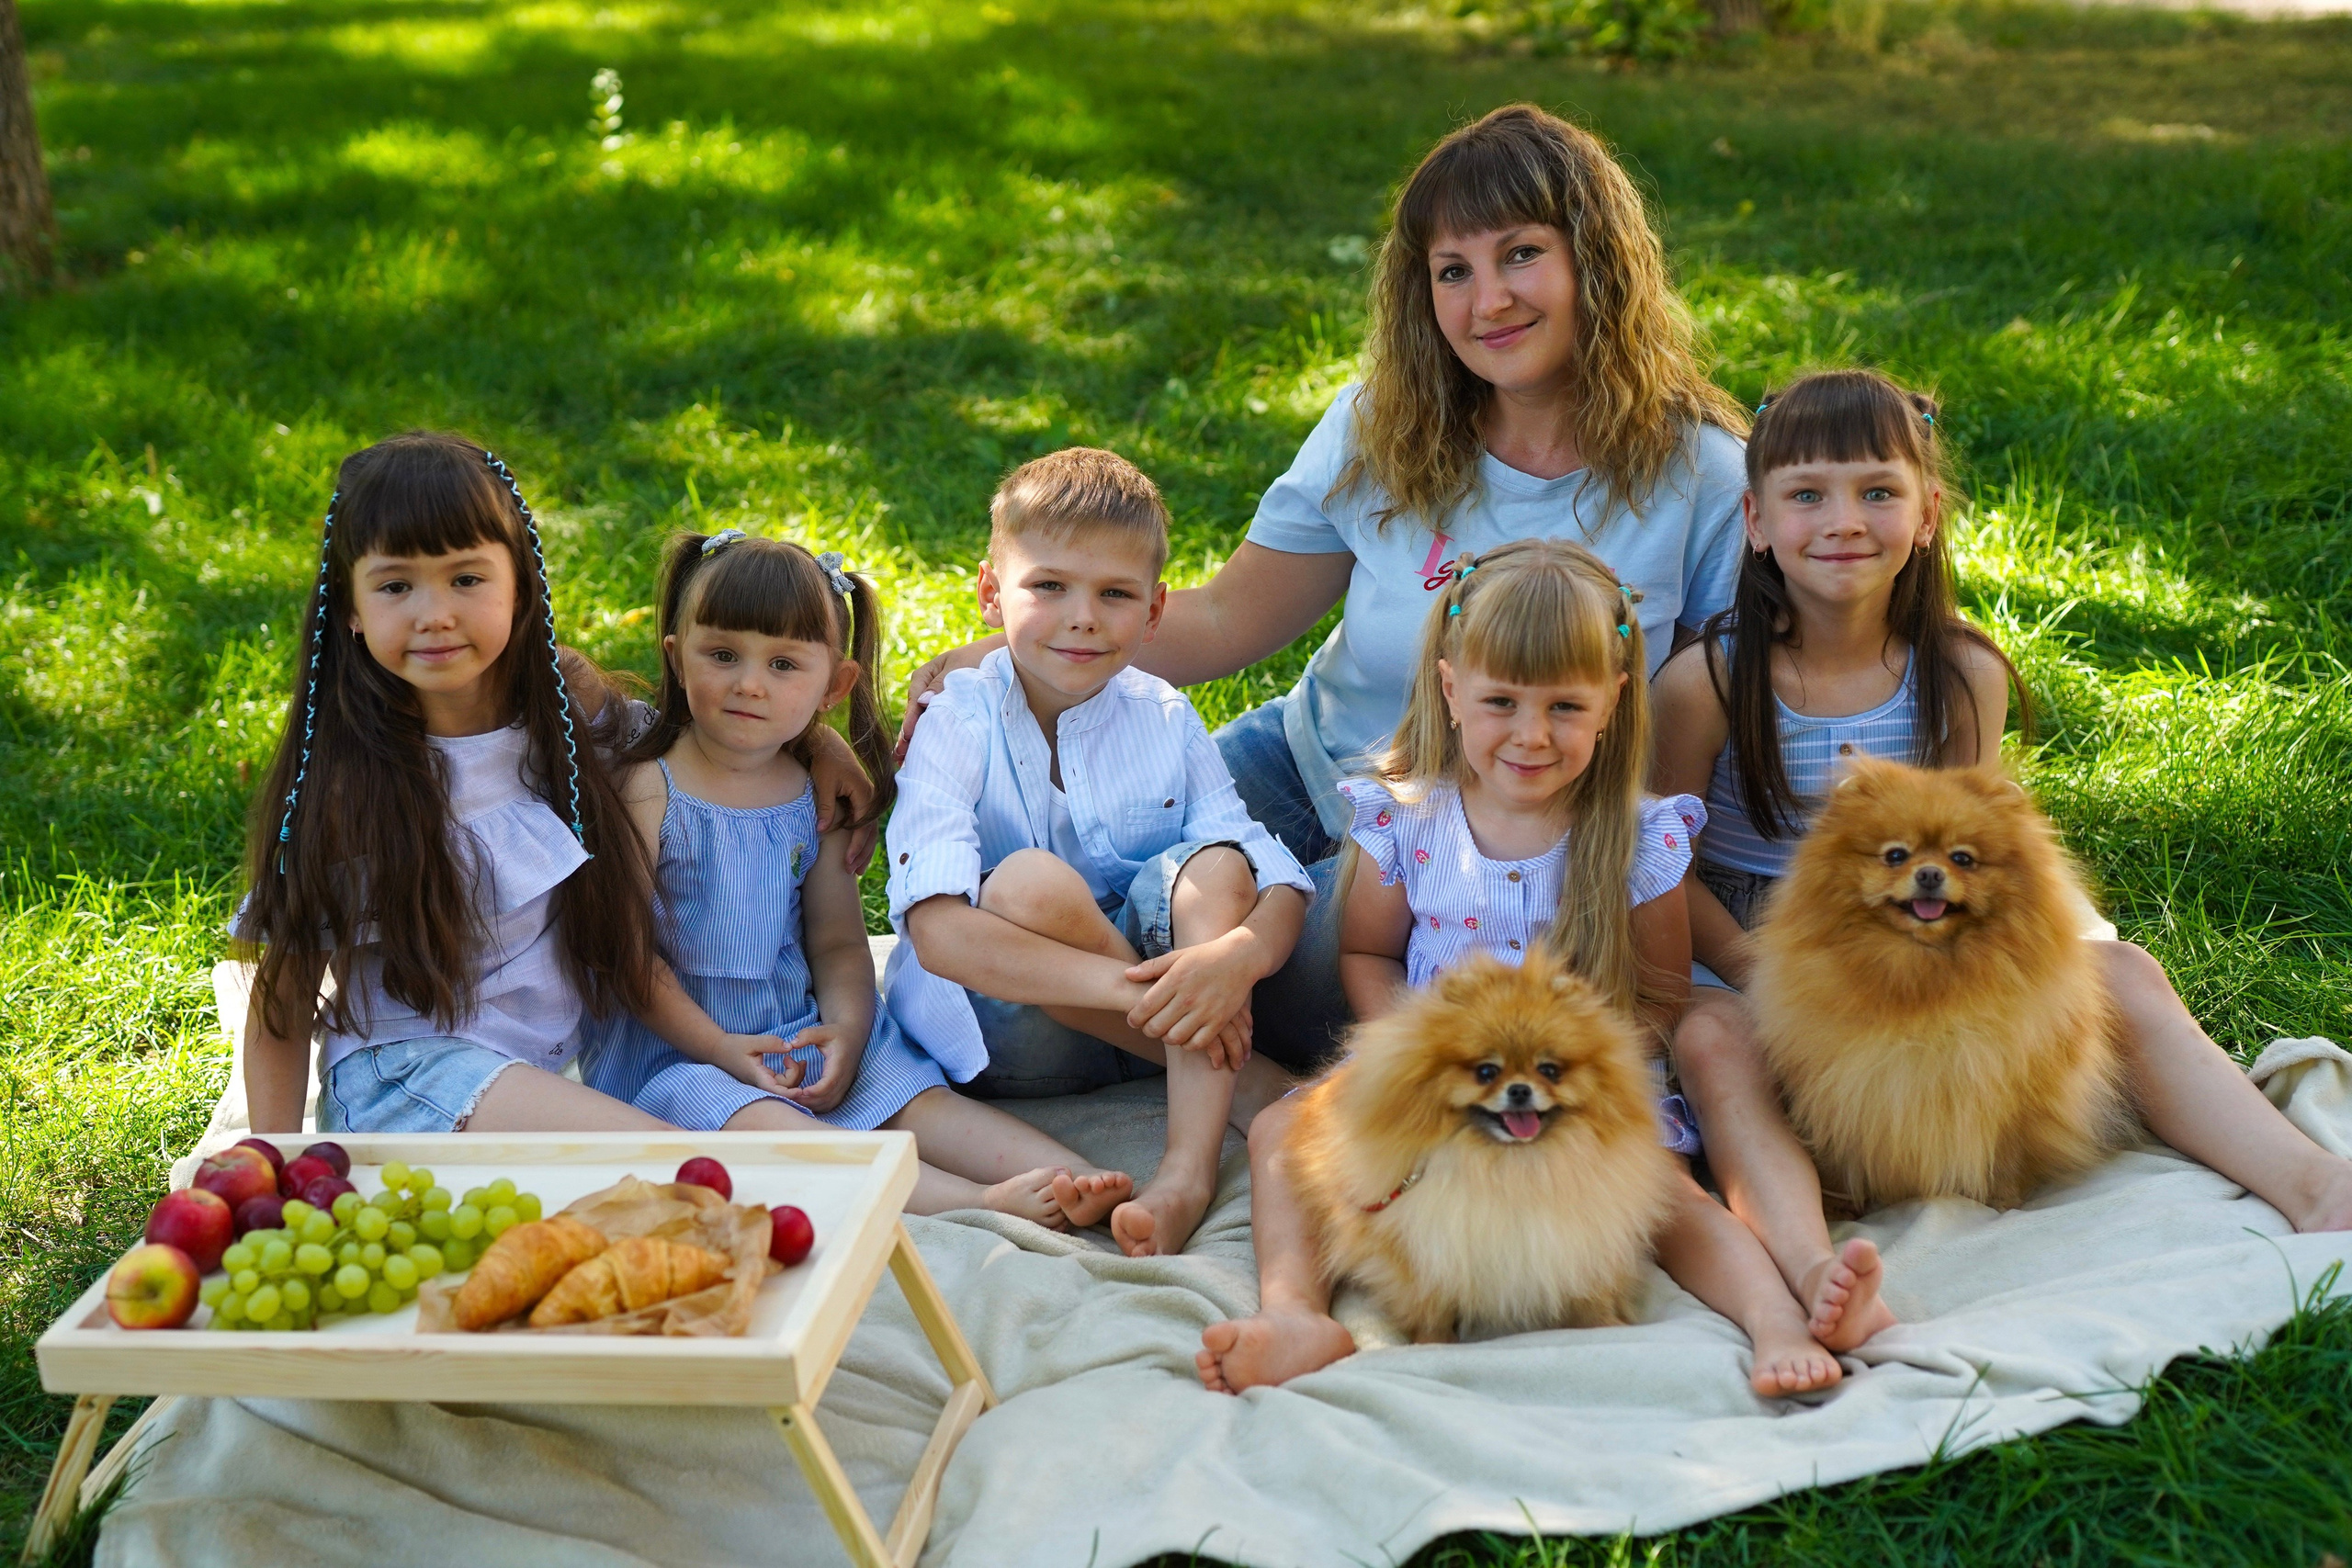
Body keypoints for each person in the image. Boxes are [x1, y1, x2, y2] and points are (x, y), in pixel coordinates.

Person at [898, 103, 1753, 1069]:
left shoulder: (1703, 476)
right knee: (1008, 959)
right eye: (1452, 271)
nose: (1487, 302)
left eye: (1520, 255)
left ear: (1597, 260)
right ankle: (1196, 1046)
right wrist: (989, 653)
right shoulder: (1382, 424)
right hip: (1294, 768)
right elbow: (1223, 619)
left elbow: (1718, 717)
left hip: (1469, 846)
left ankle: (1201, 1058)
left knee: (1048, 1021)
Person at [1650, 367, 2352, 1352]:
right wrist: (1756, 968)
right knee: (1713, 1045)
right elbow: (1658, 864)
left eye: (1877, 492)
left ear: (1927, 514)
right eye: (1806, 494)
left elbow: (1965, 862)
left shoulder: (1960, 673)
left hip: (1911, 926)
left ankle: (2314, 1183)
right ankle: (1814, 1270)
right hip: (1739, 936)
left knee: (2119, 974)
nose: (1841, 520)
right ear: (1755, 521)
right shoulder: (1708, 679)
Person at [1197, 540, 1843, 1395]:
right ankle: (1294, 1312)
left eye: (1565, 706)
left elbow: (1660, 995)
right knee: (1285, 1136)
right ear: (1451, 688)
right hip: (1431, 1071)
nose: (1532, 735)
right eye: (1501, 700)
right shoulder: (1411, 815)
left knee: (1673, 1199)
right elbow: (1366, 951)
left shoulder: (1635, 834)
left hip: (1573, 1080)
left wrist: (1590, 1059)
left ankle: (1776, 1319)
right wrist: (1405, 1049)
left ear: (1615, 701)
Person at [578, 529, 1133, 1227]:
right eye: (721, 655)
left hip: (798, 1026)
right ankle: (978, 1204)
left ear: (834, 685)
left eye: (784, 664)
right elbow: (627, 958)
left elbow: (840, 943)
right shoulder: (649, 790)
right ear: (675, 656)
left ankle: (1077, 1179)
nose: (749, 682)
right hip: (678, 1054)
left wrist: (845, 1027)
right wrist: (723, 1050)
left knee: (909, 1093)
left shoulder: (814, 794)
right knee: (753, 1124)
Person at [885, 448, 1316, 1257]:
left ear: (1154, 614)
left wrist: (1235, 960)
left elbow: (1277, 873)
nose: (1083, 616)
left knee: (1221, 866)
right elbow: (939, 934)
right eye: (1048, 586)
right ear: (990, 594)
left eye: (1114, 594)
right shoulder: (958, 719)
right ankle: (1243, 1082)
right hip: (1009, 1036)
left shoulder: (1164, 712)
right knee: (1030, 885)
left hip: (1154, 1026)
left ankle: (1187, 1174)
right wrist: (1153, 998)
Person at [235, 433, 679, 1134]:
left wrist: (819, 750)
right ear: (350, 608)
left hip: (543, 1071)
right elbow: (283, 999)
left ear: (521, 583)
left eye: (466, 579)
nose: (434, 613)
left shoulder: (562, 705)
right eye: (395, 585)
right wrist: (273, 1158)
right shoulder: (355, 785)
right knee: (670, 1161)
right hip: (406, 1079)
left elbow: (699, 747)